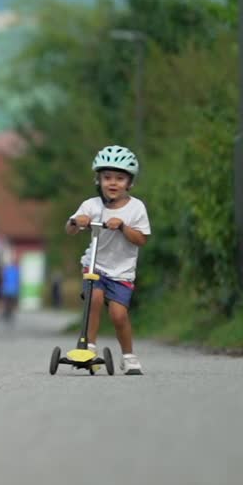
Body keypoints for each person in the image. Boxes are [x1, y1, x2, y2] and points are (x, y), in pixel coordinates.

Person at [65, 145, 151, 375]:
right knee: (94, 298)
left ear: (129, 183)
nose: (113, 183)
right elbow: (70, 229)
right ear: (99, 180)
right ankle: (88, 347)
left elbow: (141, 239)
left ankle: (128, 356)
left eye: (120, 178)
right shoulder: (91, 205)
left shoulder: (136, 208)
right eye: (107, 177)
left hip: (122, 271)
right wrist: (76, 221)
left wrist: (123, 226)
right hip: (95, 264)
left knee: (118, 315)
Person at [0, 258, 21, 325]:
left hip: (6, 288)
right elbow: (18, 280)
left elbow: (2, 279)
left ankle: (7, 313)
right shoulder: (16, 271)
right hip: (13, 289)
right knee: (11, 302)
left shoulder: (6, 270)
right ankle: (9, 313)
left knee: (7, 302)